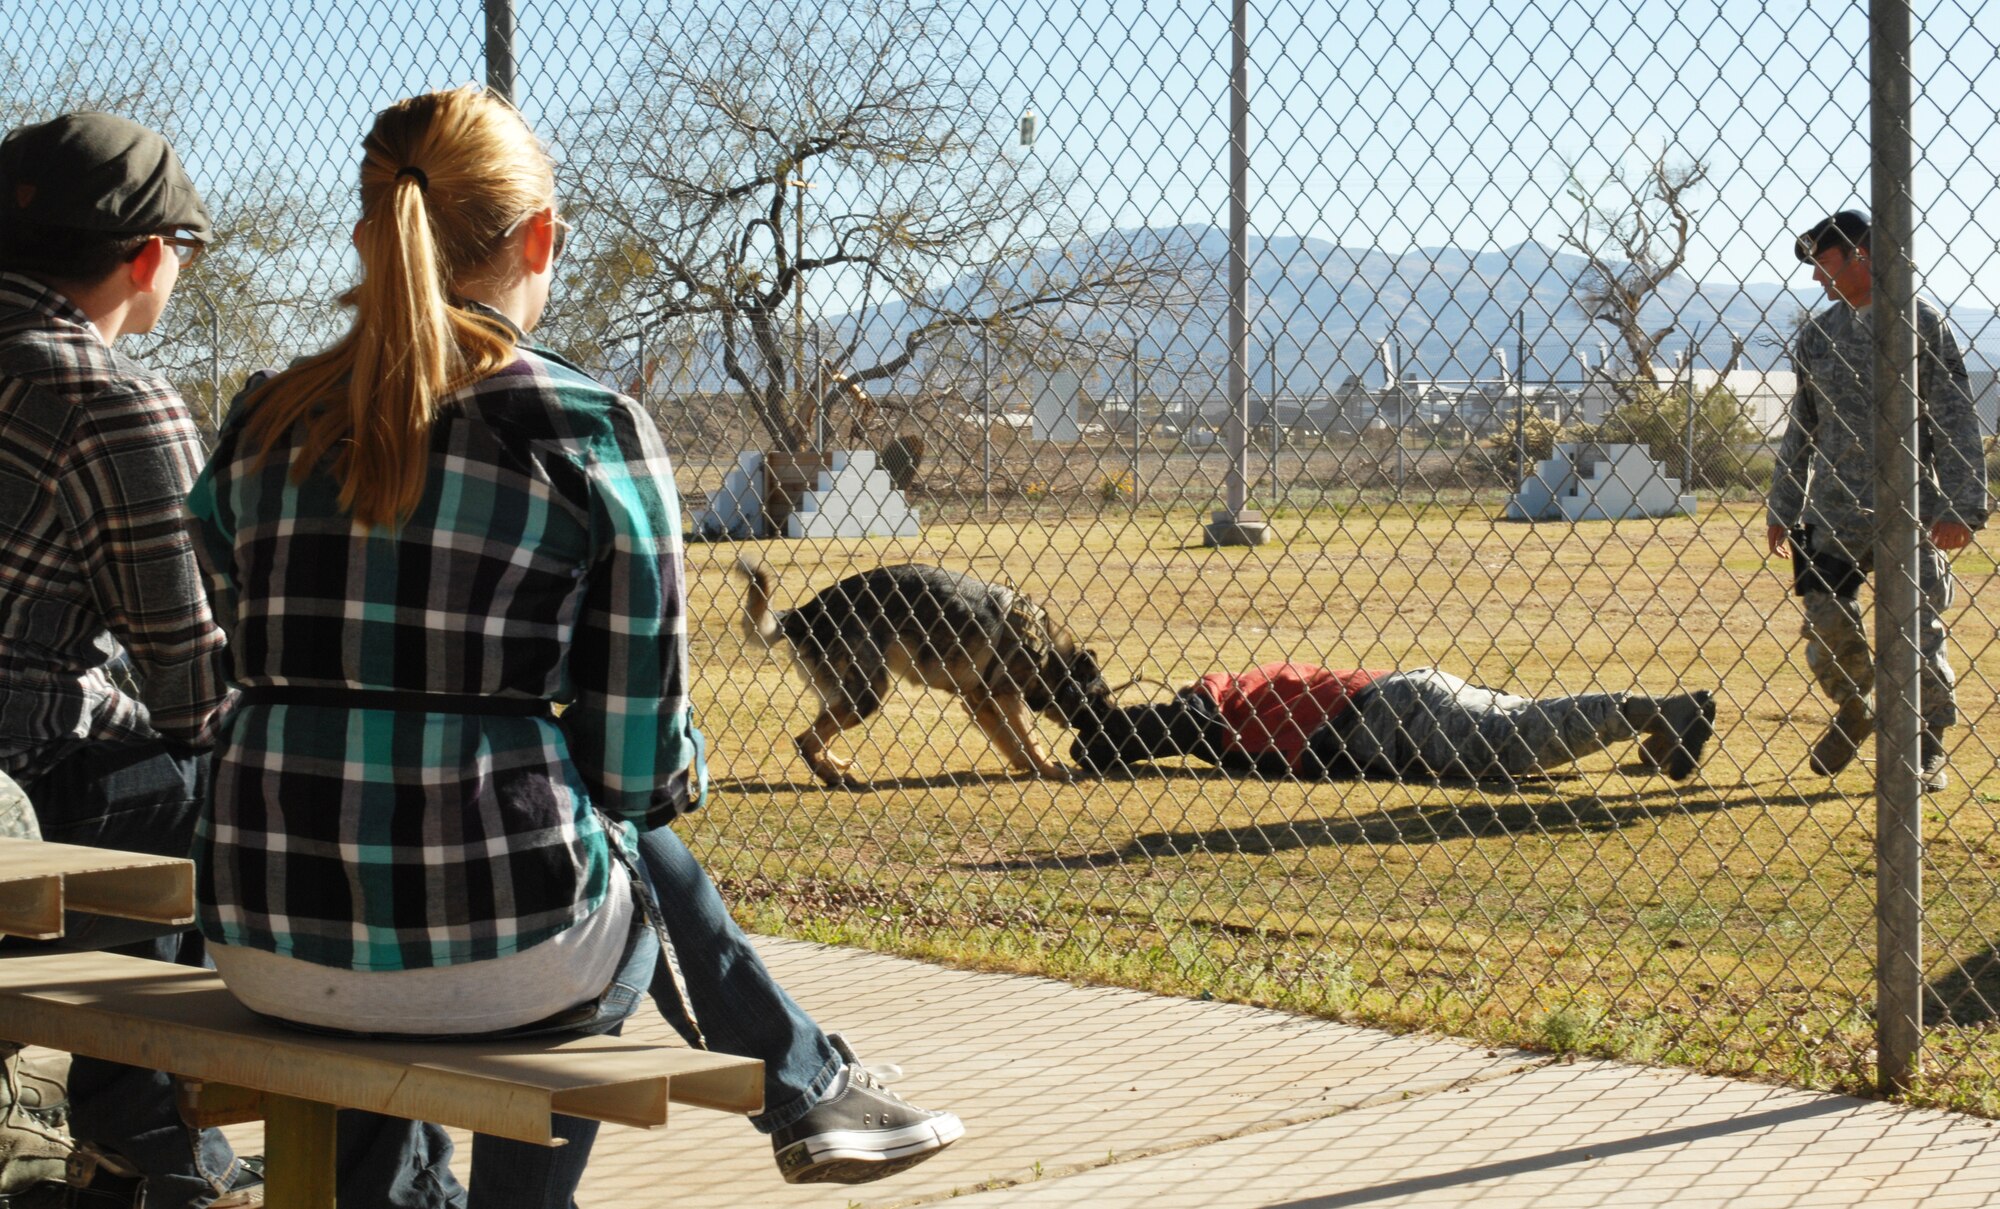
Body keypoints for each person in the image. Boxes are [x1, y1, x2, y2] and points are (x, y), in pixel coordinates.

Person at [185, 87, 959, 1207]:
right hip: (506, 949)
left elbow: (219, 644)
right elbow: (638, 769)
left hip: (260, 932)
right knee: (609, 841)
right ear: (538, 236)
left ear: (365, 225)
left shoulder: (260, 420)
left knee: (414, 908)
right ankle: (776, 1097)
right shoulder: (584, 430)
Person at [0, 111, 267, 1207]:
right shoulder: (110, 400)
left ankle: (129, 1130)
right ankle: (145, 1140)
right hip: (18, 785)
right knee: (217, 791)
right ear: (153, 254)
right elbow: (194, 684)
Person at [1765, 210, 1988, 790]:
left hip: (1910, 509)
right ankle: (1856, 704)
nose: (1815, 276)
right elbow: (1802, 427)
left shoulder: (1920, 325)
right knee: (1825, 623)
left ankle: (1926, 742)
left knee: (1915, 631)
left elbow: (1954, 414)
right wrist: (1783, 507)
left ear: (1860, 251)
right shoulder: (1818, 335)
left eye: (1822, 259)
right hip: (1833, 512)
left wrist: (1964, 504)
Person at [1070, 661, 1715, 783]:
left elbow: (1148, 733)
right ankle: (1651, 725)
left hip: (1382, 714)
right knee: (1519, 721)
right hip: (1401, 696)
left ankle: (1651, 711)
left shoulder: (1215, 706)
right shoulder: (1243, 687)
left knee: (1508, 747)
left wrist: (1094, 739)